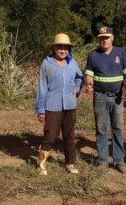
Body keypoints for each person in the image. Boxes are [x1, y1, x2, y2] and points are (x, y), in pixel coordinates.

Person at [84, 26, 126, 174]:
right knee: (101, 129)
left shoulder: (120, 53)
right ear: (99, 39)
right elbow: (89, 73)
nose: (104, 40)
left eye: (107, 37)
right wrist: (88, 84)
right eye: (101, 38)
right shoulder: (93, 55)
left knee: (118, 128)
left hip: (117, 96)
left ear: (112, 38)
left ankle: (119, 161)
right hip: (100, 96)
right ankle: (103, 160)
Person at [35, 33, 83, 175]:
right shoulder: (47, 63)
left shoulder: (72, 63)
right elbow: (42, 87)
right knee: (50, 136)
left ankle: (70, 164)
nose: (63, 51)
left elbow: (79, 77)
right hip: (52, 106)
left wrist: (76, 88)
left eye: (66, 48)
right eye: (60, 47)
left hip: (70, 106)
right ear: (54, 48)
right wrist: (41, 109)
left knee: (69, 136)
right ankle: (41, 165)